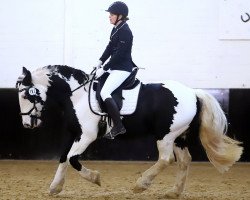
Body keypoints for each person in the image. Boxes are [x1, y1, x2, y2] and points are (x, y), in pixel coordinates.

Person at [94, 1, 135, 139]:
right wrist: (100, 62)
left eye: (112, 14)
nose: (109, 16)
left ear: (120, 16)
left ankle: (118, 126)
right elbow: (110, 47)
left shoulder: (125, 31)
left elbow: (119, 55)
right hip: (115, 68)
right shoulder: (116, 28)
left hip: (123, 69)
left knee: (105, 92)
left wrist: (105, 68)